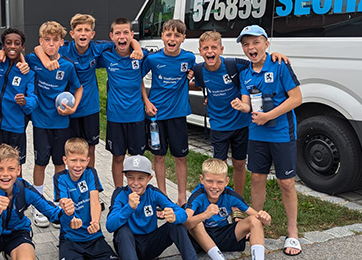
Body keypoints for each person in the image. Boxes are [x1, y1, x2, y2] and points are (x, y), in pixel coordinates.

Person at [191, 31, 290, 204]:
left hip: (241, 124)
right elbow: (199, 85)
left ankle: (237, 199)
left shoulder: (235, 65)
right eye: (205, 48)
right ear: (199, 51)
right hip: (218, 126)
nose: (209, 51)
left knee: (239, 164)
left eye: (214, 47)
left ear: (221, 49)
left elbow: (258, 61)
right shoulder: (199, 70)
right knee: (218, 167)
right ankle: (218, 200)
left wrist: (274, 55)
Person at [34, 14, 142, 169]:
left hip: (90, 107)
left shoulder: (98, 47)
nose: (83, 33)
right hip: (70, 108)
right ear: (72, 34)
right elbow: (38, 47)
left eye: (87, 30)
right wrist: (45, 61)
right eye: (79, 30)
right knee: (71, 149)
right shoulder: (65, 49)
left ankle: (89, 182)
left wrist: (137, 47)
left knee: (90, 148)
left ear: (92, 34)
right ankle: (73, 185)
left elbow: (124, 40)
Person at [231, 25, 302, 256]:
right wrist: (242, 106)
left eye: (255, 42)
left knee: (286, 182)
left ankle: (292, 232)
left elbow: (297, 99)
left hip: (282, 133)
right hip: (257, 134)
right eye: (246, 44)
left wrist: (268, 116)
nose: (251, 48)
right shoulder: (245, 74)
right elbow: (247, 102)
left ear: (266, 44)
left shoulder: (280, 65)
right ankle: (256, 222)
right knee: (258, 178)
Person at [0, 144, 76, 260]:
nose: (5, 174)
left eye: (11, 169)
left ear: (18, 170)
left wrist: (67, 213)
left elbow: (53, 214)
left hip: (17, 232)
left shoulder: (23, 188)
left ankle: (10, 257)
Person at [107, 155, 213, 260]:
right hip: (128, 245)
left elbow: (182, 213)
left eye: (141, 178)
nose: (135, 183)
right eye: (131, 178)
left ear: (149, 178)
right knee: (122, 230)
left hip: (150, 243)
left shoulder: (153, 193)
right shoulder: (120, 194)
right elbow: (110, 226)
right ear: (126, 177)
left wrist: (174, 216)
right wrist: (129, 207)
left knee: (176, 224)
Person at [26, 21, 83, 228]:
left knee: (60, 164)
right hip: (41, 121)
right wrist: (41, 55)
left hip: (61, 122)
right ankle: (39, 204)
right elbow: (32, 51)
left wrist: (73, 107)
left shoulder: (67, 66)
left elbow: (78, 88)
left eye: (55, 40)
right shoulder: (34, 60)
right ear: (41, 42)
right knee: (40, 162)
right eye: (47, 40)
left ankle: (62, 203)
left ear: (61, 42)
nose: (51, 44)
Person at [185, 158, 272, 260]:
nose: (214, 186)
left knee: (254, 220)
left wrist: (266, 219)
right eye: (209, 181)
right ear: (201, 179)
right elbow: (186, 222)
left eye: (219, 182)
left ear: (226, 182)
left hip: (222, 233)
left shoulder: (230, 194)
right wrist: (205, 214)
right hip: (201, 238)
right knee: (196, 223)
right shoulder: (198, 195)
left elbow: (257, 217)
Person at [53, 138, 121, 260]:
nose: (78, 165)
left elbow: (95, 201)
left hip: (93, 236)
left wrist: (95, 222)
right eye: (73, 160)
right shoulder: (60, 178)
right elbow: (64, 202)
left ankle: (91, 259)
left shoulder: (91, 173)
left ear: (88, 160)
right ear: (65, 160)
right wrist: (71, 218)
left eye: (82, 160)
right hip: (70, 238)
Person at [141, 19, 193, 205]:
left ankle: (181, 197)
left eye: (177, 35)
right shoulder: (153, 59)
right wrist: (146, 102)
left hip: (178, 115)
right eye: (168, 35)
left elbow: (193, 77)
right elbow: (137, 78)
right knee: (159, 156)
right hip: (156, 116)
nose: (172, 39)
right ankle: (162, 196)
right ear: (162, 36)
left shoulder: (189, 59)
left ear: (183, 38)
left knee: (180, 157)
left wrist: (191, 76)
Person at [97, 18, 148, 188]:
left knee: (136, 159)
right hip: (115, 117)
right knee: (118, 157)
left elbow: (142, 78)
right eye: (117, 33)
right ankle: (119, 193)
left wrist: (137, 47)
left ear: (132, 35)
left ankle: (137, 193)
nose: (122, 37)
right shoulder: (106, 56)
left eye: (126, 32)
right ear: (111, 36)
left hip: (137, 116)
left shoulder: (142, 56)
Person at [0, 28, 37, 169]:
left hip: (16, 128)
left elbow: (33, 100)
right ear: (3, 46)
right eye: (8, 43)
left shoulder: (27, 72)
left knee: (15, 167)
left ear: (23, 47)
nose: (12, 46)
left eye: (17, 43)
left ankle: (16, 191)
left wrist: (25, 101)